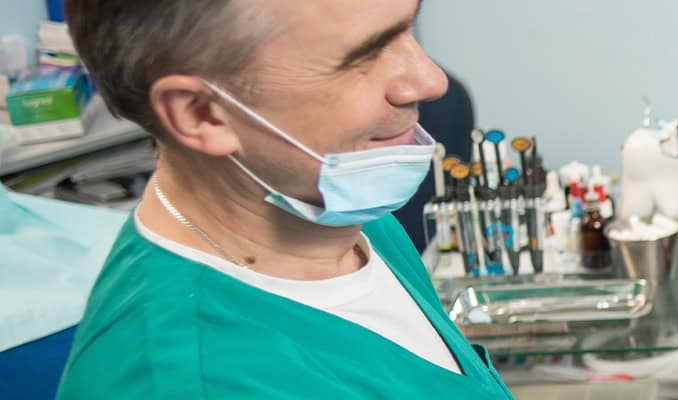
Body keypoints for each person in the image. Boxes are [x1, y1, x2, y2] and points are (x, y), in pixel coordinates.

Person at [54, 0, 513, 397]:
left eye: (407, 27)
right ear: (202, 114)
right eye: (365, 56)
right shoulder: (195, 382)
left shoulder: (332, 209)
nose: (430, 81)